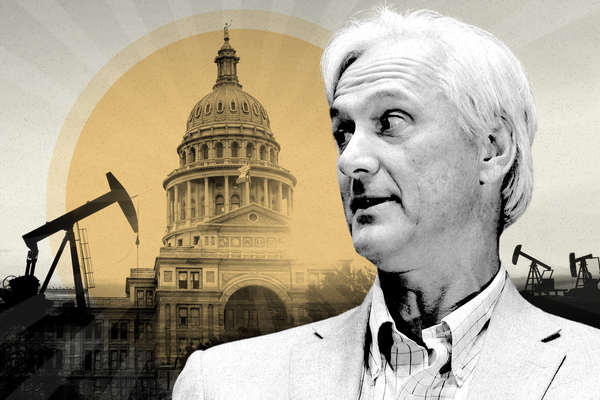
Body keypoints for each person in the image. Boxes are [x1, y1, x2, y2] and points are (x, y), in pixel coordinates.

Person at [173, 8, 600, 399]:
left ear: (491, 148)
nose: (350, 159)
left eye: (390, 122)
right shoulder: (221, 383)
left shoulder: (590, 373)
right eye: (343, 132)